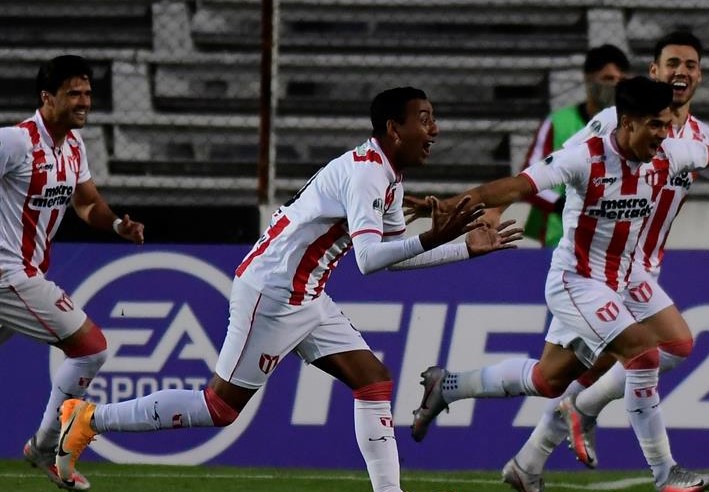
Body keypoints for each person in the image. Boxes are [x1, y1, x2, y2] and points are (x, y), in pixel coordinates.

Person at [54, 87, 522, 492]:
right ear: (392, 128)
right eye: (424, 120)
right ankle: (89, 419)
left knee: (373, 379)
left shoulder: (389, 177)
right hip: (273, 292)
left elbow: (393, 257)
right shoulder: (367, 174)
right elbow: (368, 260)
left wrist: (464, 250)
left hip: (307, 293)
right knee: (218, 407)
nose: (435, 130)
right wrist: (437, 237)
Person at [408, 76, 709, 492]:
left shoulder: (669, 153)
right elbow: (515, 185)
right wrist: (444, 207)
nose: (664, 135)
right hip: (579, 281)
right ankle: (665, 473)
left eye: (667, 126)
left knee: (557, 377)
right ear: (626, 123)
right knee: (642, 356)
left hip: (628, 279)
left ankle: (449, 387)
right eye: (655, 126)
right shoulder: (584, 158)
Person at [0, 55, 145, 491]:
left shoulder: (74, 145)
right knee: (91, 347)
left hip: (25, 271)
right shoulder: (14, 142)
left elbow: (85, 204)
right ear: (47, 98)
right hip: (10, 273)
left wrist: (117, 224)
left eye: (87, 93)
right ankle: (45, 447)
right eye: (73, 94)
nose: (84, 102)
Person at [522, 44, 630, 247]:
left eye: (621, 80)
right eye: (608, 78)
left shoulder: (632, 127)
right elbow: (528, 178)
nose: (615, 85)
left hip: (613, 242)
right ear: (588, 79)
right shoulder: (557, 122)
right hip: (559, 238)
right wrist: (562, 205)